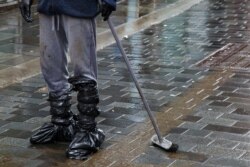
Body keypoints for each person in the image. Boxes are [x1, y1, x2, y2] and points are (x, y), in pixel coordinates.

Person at [19, 0, 116, 160]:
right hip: (49, 6)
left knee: (83, 67)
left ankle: (87, 129)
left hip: (78, 6)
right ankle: (61, 122)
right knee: (50, 64)